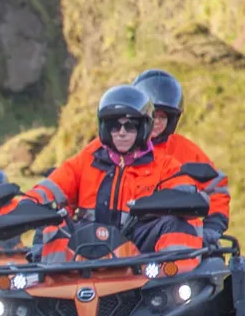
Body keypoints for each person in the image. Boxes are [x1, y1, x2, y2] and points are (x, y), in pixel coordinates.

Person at [17, 84, 214, 261]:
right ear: (104, 128)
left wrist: (176, 200)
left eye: (130, 126)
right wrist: (28, 204)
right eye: (114, 126)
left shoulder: (166, 166)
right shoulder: (85, 161)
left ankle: (172, 286)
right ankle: (51, 288)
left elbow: (185, 192)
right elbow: (53, 186)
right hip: (84, 249)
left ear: (144, 128)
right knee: (53, 224)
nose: (121, 132)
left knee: (179, 222)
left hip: (141, 253)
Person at [61, 69, 231, 243]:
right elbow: (71, 176)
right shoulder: (101, 149)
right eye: (151, 115)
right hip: (100, 238)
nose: (155, 121)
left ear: (172, 120)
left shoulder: (185, 150)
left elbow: (216, 187)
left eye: (162, 117)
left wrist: (213, 225)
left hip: (152, 242)